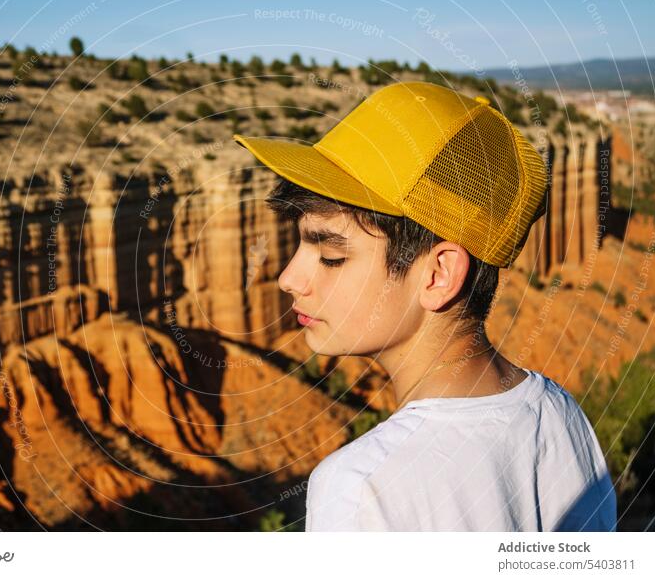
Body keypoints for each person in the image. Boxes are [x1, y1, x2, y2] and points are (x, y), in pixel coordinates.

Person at [232, 81, 617, 531]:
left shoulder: (359, 489)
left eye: (331, 257)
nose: (288, 278)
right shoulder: (559, 414)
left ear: (438, 275)